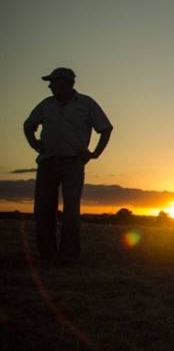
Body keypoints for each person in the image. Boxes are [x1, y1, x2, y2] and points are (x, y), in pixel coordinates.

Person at [23, 67, 113, 265]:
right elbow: (28, 125)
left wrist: (95, 153)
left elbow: (105, 128)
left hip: (73, 162)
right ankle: (47, 254)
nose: (50, 85)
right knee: (44, 208)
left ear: (65, 83)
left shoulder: (86, 104)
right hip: (47, 161)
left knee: (71, 209)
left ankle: (69, 255)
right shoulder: (46, 104)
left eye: (53, 82)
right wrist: (34, 142)